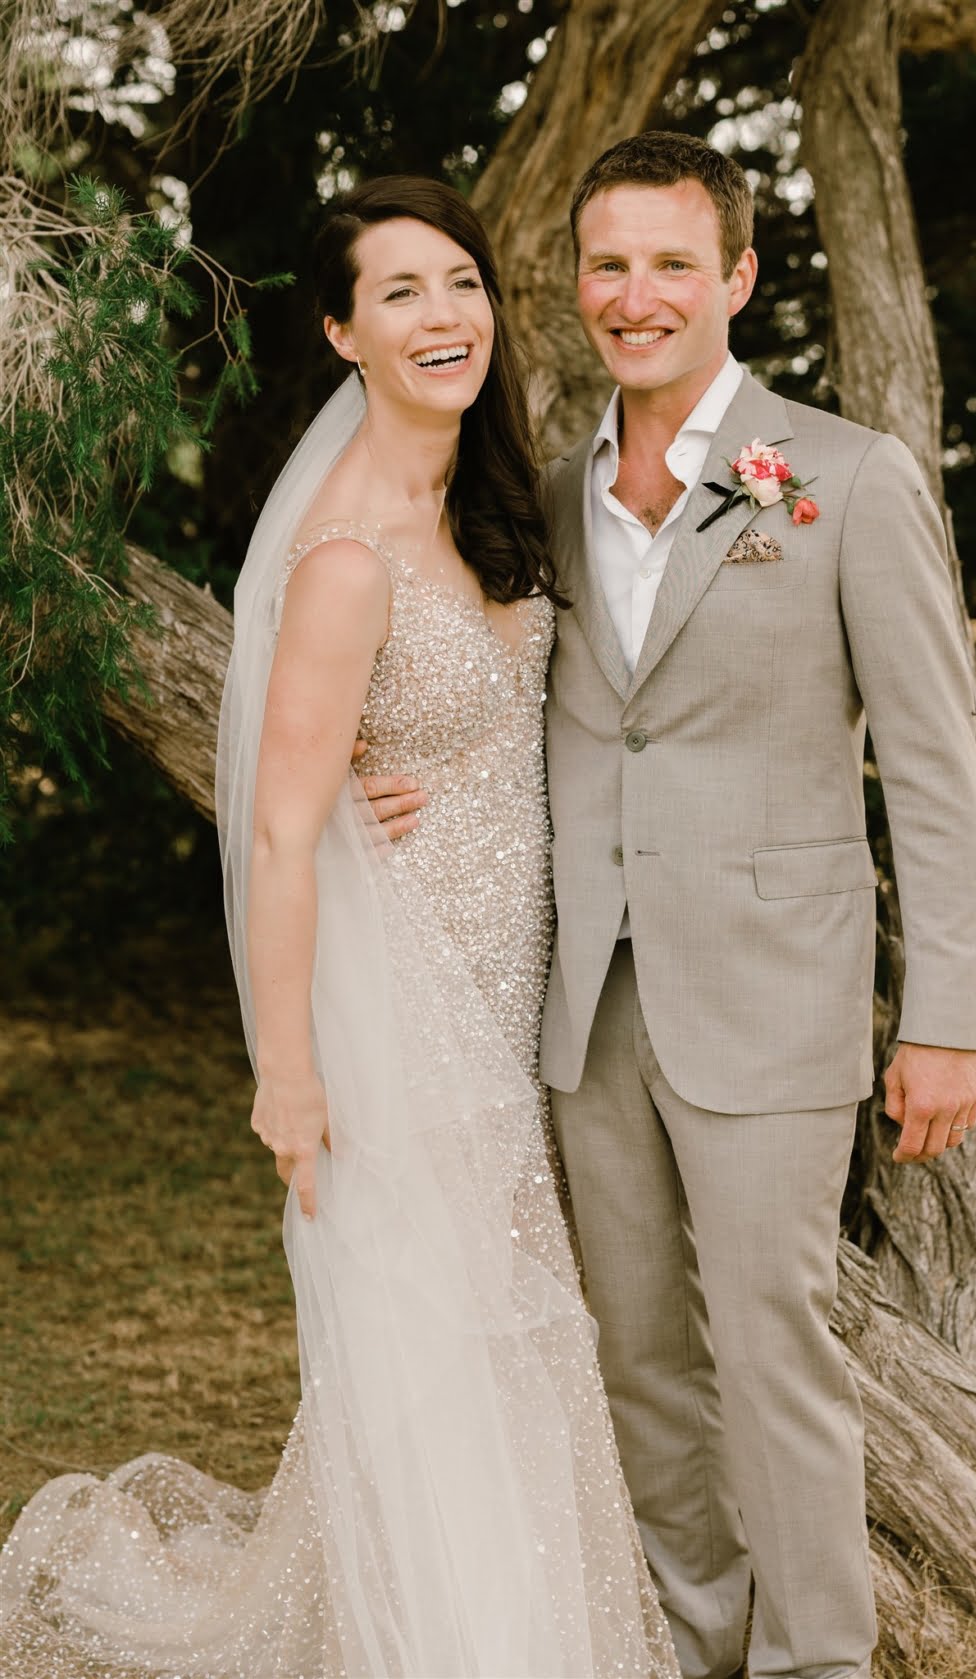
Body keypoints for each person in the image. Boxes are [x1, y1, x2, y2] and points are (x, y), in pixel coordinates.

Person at [0, 178, 679, 1679]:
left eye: (462, 282)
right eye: (401, 293)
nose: (445, 316)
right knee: (436, 1335)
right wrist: (291, 1074)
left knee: (505, 1328)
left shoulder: (490, 507)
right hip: (405, 1008)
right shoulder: (345, 558)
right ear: (340, 333)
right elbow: (280, 833)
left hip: (518, 986)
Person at [362, 133, 976, 1679]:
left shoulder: (841, 479)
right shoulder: (548, 494)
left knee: (776, 1349)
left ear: (738, 278)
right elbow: (525, 707)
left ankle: (818, 1661)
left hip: (773, 992)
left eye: (671, 264)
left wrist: (949, 1020)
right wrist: (405, 778)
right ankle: (696, 1644)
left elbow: (937, 770)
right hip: (590, 1000)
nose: (635, 296)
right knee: (639, 1355)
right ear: (577, 282)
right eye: (609, 264)